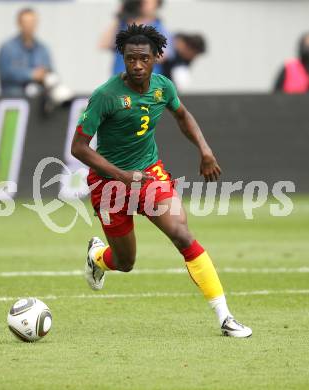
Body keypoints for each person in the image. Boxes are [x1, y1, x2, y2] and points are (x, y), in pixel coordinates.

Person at [72, 24, 252, 338]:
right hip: (109, 185)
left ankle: (225, 317)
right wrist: (122, 176)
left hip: (149, 175)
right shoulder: (105, 96)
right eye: (130, 59)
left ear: (157, 57)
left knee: (182, 234)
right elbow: (79, 148)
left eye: (143, 58)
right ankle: (98, 257)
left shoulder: (162, 87)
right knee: (125, 262)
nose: (137, 65)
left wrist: (205, 149)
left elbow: (182, 116)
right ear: (123, 59)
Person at [99, 0, 172, 75]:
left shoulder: (159, 27)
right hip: (121, 80)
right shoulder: (122, 25)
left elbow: (162, 56)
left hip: (148, 82)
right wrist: (119, 16)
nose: (143, 3)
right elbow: (103, 44)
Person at [0, 8, 53, 97]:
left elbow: (49, 71)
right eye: (26, 22)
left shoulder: (43, 49)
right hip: (15, 98)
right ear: (19, 23)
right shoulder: (7, 48)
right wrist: (31, 75)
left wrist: (44, 75)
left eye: (32, 22)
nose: (30, 25)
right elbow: (6, 74)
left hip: (39, 98)